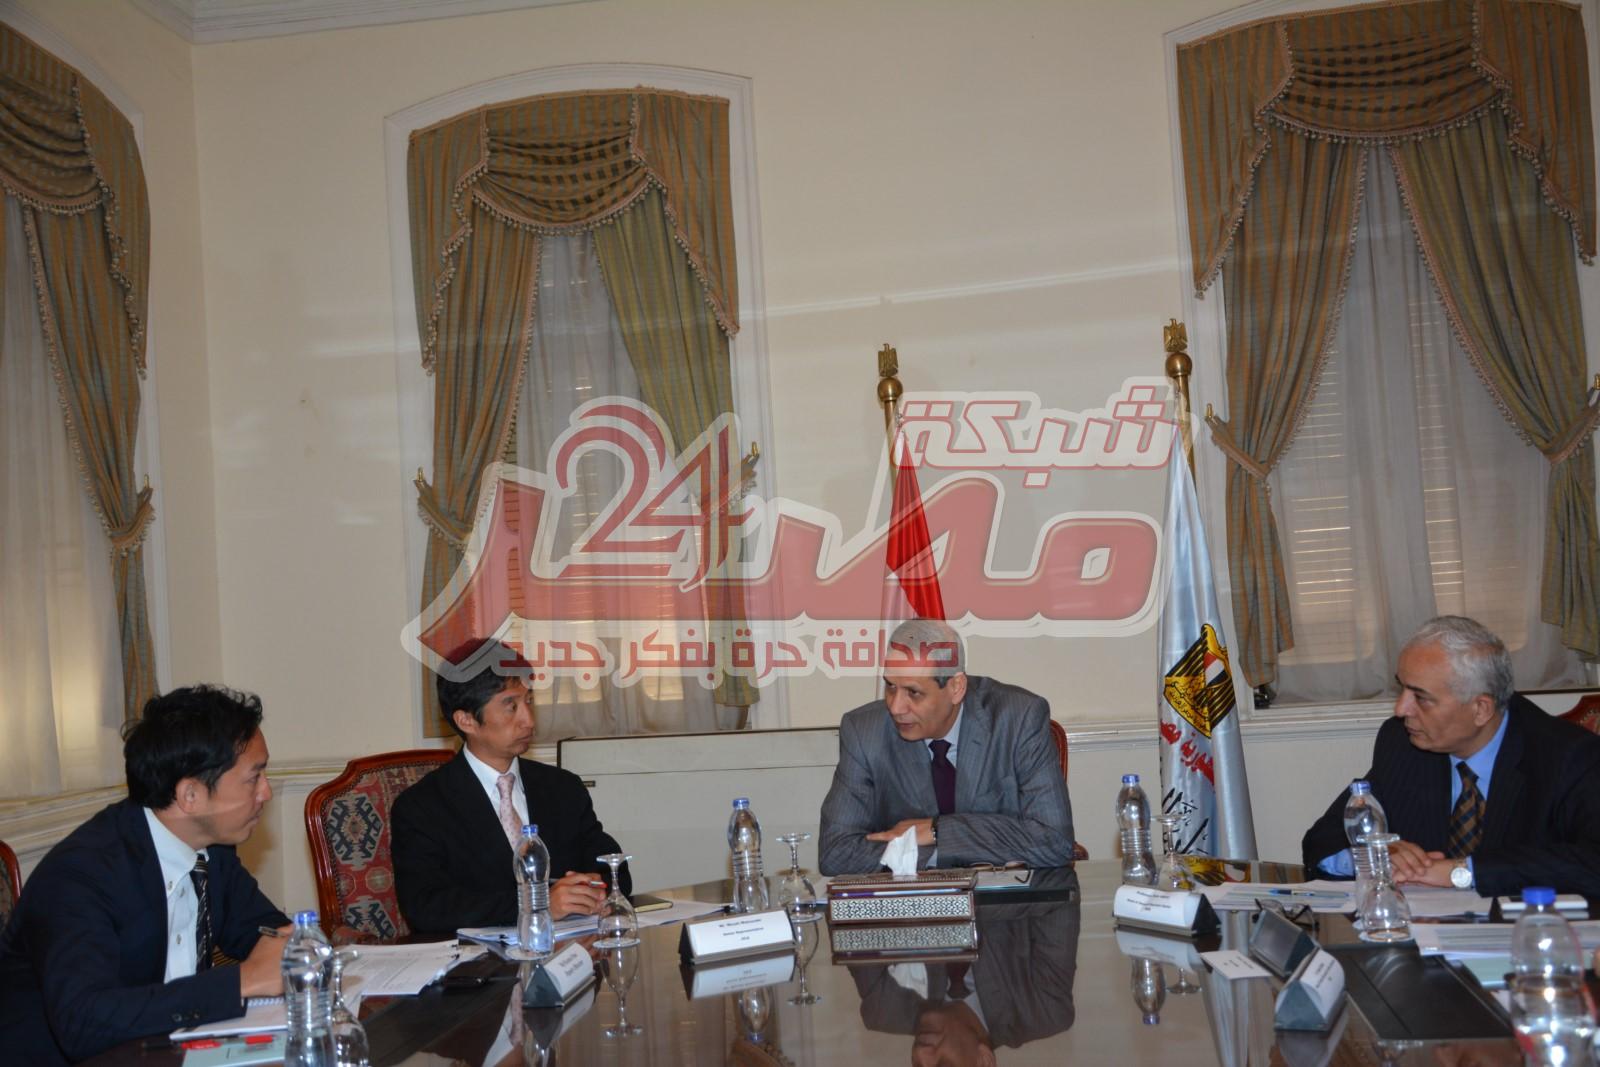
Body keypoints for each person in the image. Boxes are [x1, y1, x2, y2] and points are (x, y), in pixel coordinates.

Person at [0, 686, 289, 1065]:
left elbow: (265, 932)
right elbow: (83, 1021)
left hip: (169, 1054)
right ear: (190, 795)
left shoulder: (212, 848)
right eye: (254, 777)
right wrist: (242, 981)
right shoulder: (79, 877)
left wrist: (296, 947)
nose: (266, 793)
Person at [1301, 615, 1600, 897]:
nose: (1401, 709)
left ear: (1481, 709)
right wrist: (1373, 856)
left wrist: (1463, 872)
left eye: (1421, 697)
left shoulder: (1568, 757)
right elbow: (1322, 841)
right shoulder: (1402, 742)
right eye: (1402, 688)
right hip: (1426, 926)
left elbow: (1593, 861)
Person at [392, 640, 630, 938]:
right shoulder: (421, 807)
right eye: (511, 706)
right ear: (466, 720)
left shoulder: (562, 787)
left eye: (529, 701)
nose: (528, 720)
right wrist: (537, 903)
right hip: (477, 961)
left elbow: (612, 865)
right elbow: (426, 907)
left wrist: (594, 886)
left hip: (570, 951)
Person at [818, 618, 1075, 875]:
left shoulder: (1018, 719)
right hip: (911, 899)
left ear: (956, 687)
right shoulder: (864, 732)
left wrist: (937, 830)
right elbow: (836, 854)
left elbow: (1054, 841)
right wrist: (936, 853)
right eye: (891, 687)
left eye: (913, 692)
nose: (896, 707)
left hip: (1002, 898)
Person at [849, 889, 1080, 1062]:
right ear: (983, 1060)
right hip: (1003, 842)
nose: (921, 1053)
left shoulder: (883, 1007)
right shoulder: (1043, 1008)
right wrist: (948, 901)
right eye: (943, 1065)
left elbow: (852, 902)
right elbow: (1059, 895)